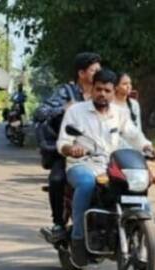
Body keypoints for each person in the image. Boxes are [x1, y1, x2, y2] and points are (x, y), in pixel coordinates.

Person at [57, 69, 155, 267]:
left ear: (113, 92)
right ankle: (78, 238)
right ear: (92, 89)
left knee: (140, 195)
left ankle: (147, 255)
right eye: (99, 89)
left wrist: (148, 147)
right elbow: (62, 143)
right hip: (81, 165)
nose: (102, 94)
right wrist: (72, 148)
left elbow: (135, 136)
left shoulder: (120, 113)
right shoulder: (76, 111)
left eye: (107, 90)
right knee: (86, 183)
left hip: (109, 166)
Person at [35, 52, 102, 243]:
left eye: (99, 69)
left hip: (98, 150)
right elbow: (40, 112)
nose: (98, 73)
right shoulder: (66, 92)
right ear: (81, 73)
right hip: (68, 149)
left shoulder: (102, 92)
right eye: (94, 70)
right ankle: (58, 224)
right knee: (57, 179)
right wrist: (62, 109)